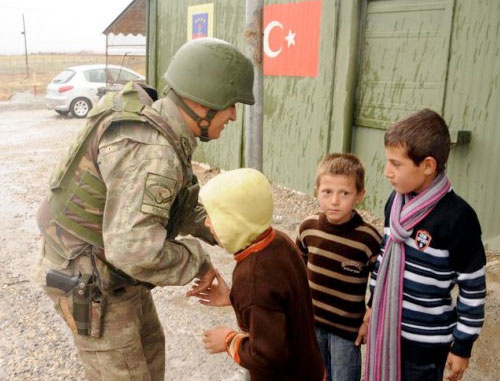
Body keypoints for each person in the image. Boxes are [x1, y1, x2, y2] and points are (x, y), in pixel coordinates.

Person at [32, 38, 255, 380]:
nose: (234, 116)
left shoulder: (158, 116)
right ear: (204, 101)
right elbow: (134, 248)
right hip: (91, 278)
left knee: (150, 351)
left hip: (111, 268)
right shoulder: (152, 151)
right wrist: (196, 261)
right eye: (230, 104)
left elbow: (163, 201)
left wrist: (216, 227)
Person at [365, 109, 487, 381]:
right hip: (387, 333)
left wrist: (463, 346)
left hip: (426, 346)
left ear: (428, 166)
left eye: (396, 164)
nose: (387, 172)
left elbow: (473, 287)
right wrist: (373, 304)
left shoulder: (458, 218)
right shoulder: (395, 203)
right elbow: (384, 257)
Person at [191, 168, 325, 381]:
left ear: (236, 221)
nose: (207, 223)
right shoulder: (278, 240)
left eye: (213, 216)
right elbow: (277, 303)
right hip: (309, 369)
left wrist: (228, 340)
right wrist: (233, 298)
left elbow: (267, 356)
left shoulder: (251, 276)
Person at [295, 153, 382, 381]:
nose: (334, 201)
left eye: (344, 193)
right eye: (327, 192)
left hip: (346, 331)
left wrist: (368, 321)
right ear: (317, 190)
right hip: (312, 324)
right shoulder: (308, 228)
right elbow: (296, 271)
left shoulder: (368, 239)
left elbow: (382, 283)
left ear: (359, 195)